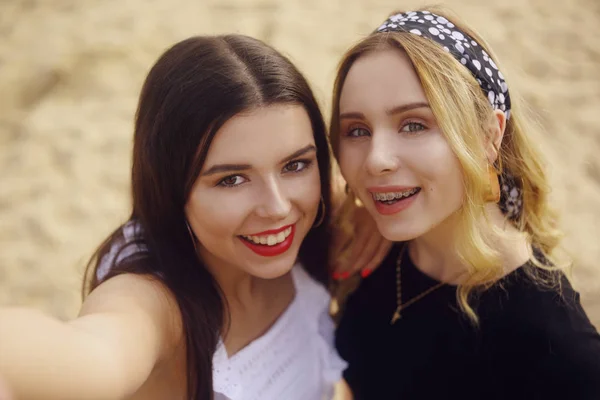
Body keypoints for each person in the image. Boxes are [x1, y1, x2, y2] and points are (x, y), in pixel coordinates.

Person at [0, 34, 389, 400]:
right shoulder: (155, 304)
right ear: (172, 189)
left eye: (295, 165)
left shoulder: (321, 210)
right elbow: (87, 354)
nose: (278, 207)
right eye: (232, 179)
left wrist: (371, 211)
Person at [329, 7, 600, 400]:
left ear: (490, 136)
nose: (375, 160)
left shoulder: (556, 347)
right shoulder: (377, 239)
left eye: (414, 124)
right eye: (357, 130)